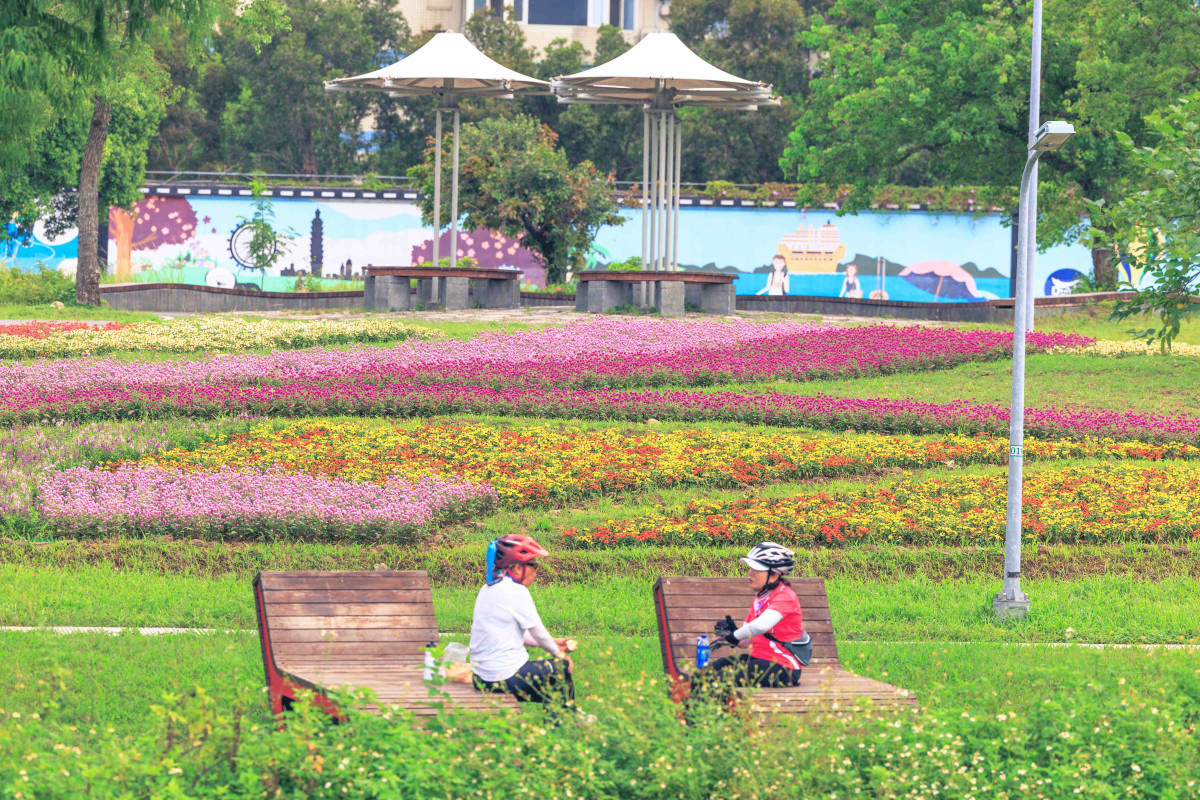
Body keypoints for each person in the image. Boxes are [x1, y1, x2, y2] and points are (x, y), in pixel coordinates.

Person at [469, 534, 575, 705]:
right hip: (504, 677)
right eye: (533, 565)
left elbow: (515, 633)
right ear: (517, 568)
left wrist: (553, 641)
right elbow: (538, 633)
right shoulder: (516, 591)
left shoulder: (487, 589)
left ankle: (561, 715)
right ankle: (563, 721)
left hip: (481, 679)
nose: (536, 571)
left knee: (551, 681)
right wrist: (560, 654)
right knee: (561, 670)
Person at [691, 542, 809, 695]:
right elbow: (745, 642)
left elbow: (761, 626)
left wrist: (735, 635)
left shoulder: (785, 596)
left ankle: (715, 716)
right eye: (750, 568)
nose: (750, 573)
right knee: (705, 673)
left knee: (718, 679)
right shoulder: (760, 599)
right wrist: (729, 634)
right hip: (760, 659)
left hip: (783, 667)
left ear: (774, 574)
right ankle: (691, 716)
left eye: (756, 569)